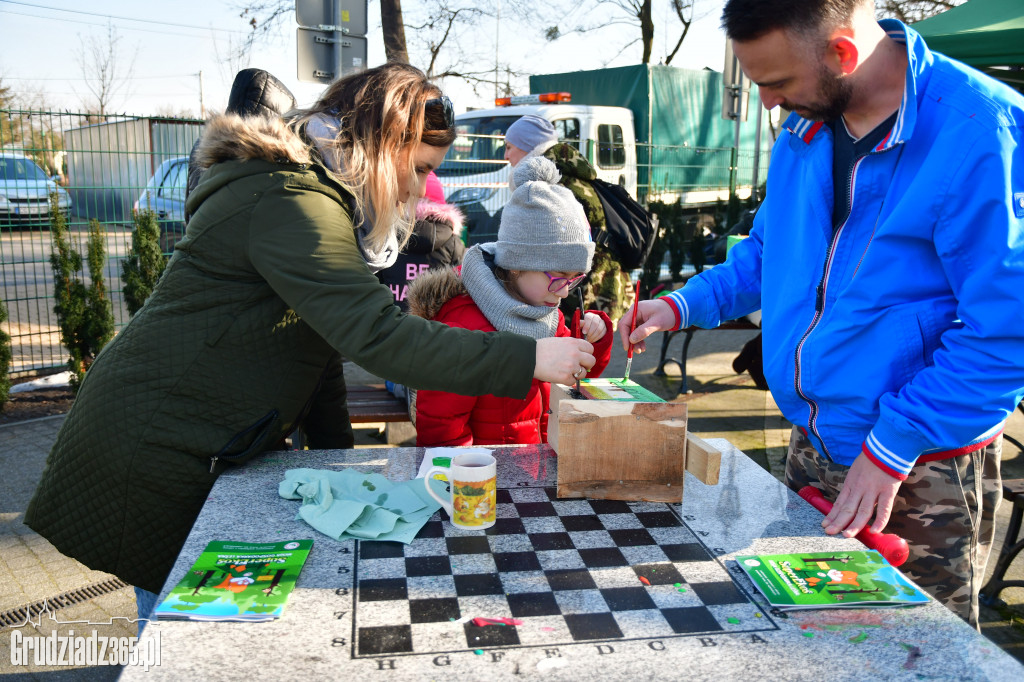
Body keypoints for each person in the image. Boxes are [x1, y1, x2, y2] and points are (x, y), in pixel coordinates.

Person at [24, 63, 596, 617]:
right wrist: (530, 357)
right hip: (160, 449)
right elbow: (379, 337)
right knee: (191, 639)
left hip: (203, 443)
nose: (421, 188)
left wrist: (339, 466)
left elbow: (318, 353)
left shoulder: (314, 198)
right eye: (419, 167)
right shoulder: (293, 201)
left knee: (219, 628)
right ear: (382, 145)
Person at [619, 0, 1024, 626]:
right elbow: (767, 254)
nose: (768, 105)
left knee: (916, 651)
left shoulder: (981, 131)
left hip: (920, 463)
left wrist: (893, 444)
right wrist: (680, 304)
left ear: (841, 53)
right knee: (813, 637)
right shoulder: (807, 127)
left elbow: (1006, 333)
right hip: (814, 438)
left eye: (777, 84)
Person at [409, 156, 613, 446]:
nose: (565, 292)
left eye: (575, 279)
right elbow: (442, 427)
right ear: (517, 264)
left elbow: (576, 376)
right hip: (486, 480)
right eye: (559, 276)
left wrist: (595, 339)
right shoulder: (463, 324)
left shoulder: (545, 311)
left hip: (534, 469)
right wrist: (470, 480)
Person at [503, 115, 633, 323]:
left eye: (509, 147)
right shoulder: (570, 174)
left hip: (584, 290)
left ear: (528, 146)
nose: (506, 155)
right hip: (602, 282)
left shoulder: (549, 187)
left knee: (583, 349)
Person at [376, 170, 465, 311]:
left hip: (391, 322)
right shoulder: (453, 244)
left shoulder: (385, 236)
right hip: (435, 326)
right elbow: (461, 290)